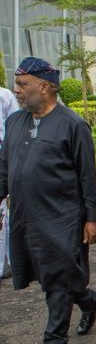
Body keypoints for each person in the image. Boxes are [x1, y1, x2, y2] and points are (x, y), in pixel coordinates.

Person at [0, 57, 96, 344]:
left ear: (45, 87)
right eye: (16, 84)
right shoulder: (15, 122)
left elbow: (87, 177)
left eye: (23, 85)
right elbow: (4, 168)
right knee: (48, 275)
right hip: (24, 217)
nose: (16, 91)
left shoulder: (73, 124)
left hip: (62, 218)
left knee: (56, 279)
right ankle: (88, 299)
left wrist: (92, 218)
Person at [0, 85, 19, 280]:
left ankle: (10, 262)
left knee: (3, 215)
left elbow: (16, 130)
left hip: (2, 160)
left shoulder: (4, 95)